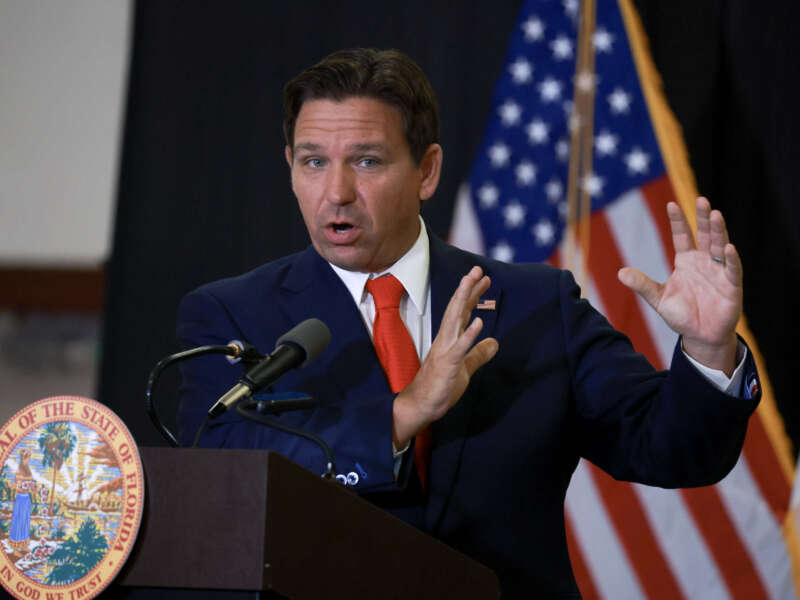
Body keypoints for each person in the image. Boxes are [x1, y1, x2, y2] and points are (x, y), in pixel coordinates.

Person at [176, 48, 760, 597]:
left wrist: (708, 351)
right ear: (290, 168)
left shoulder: (535, 304)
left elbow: (671, 450)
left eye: (367, 161)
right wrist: (401, 416)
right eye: (313, 162)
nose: (337, 192)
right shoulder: (233, 315)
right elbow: (221, 471)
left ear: (427, 171)